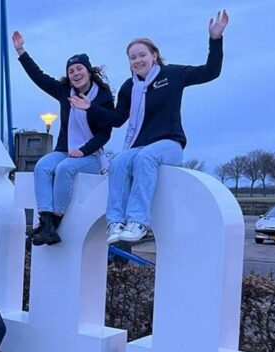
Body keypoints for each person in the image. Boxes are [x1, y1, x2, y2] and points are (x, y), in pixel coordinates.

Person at [70, 10, 230, 244]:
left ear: (154, 55)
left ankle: (138, 222)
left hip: (169, 144)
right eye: (132, 57)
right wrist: (90, 107)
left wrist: (215, 39)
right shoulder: (128, 88)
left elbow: (211, 72)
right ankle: (115, 222)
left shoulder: (172, 74)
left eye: (142, 55)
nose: (137, 61)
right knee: (120, 162)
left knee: (144, 158)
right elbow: (116, 120)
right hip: (139, 146)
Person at [13, 31, 115, 246]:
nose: (75, 73)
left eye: (79, 69)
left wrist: (84, 150)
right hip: (65, 150)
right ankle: (46, 221)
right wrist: (21, 51)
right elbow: (38, 76)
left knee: (64, 169)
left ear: (88, 71)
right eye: (71, 70)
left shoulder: (104, 96)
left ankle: (56, 221)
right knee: (42, 167)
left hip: (92, 155)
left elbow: (105, 133)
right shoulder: (64, 91)